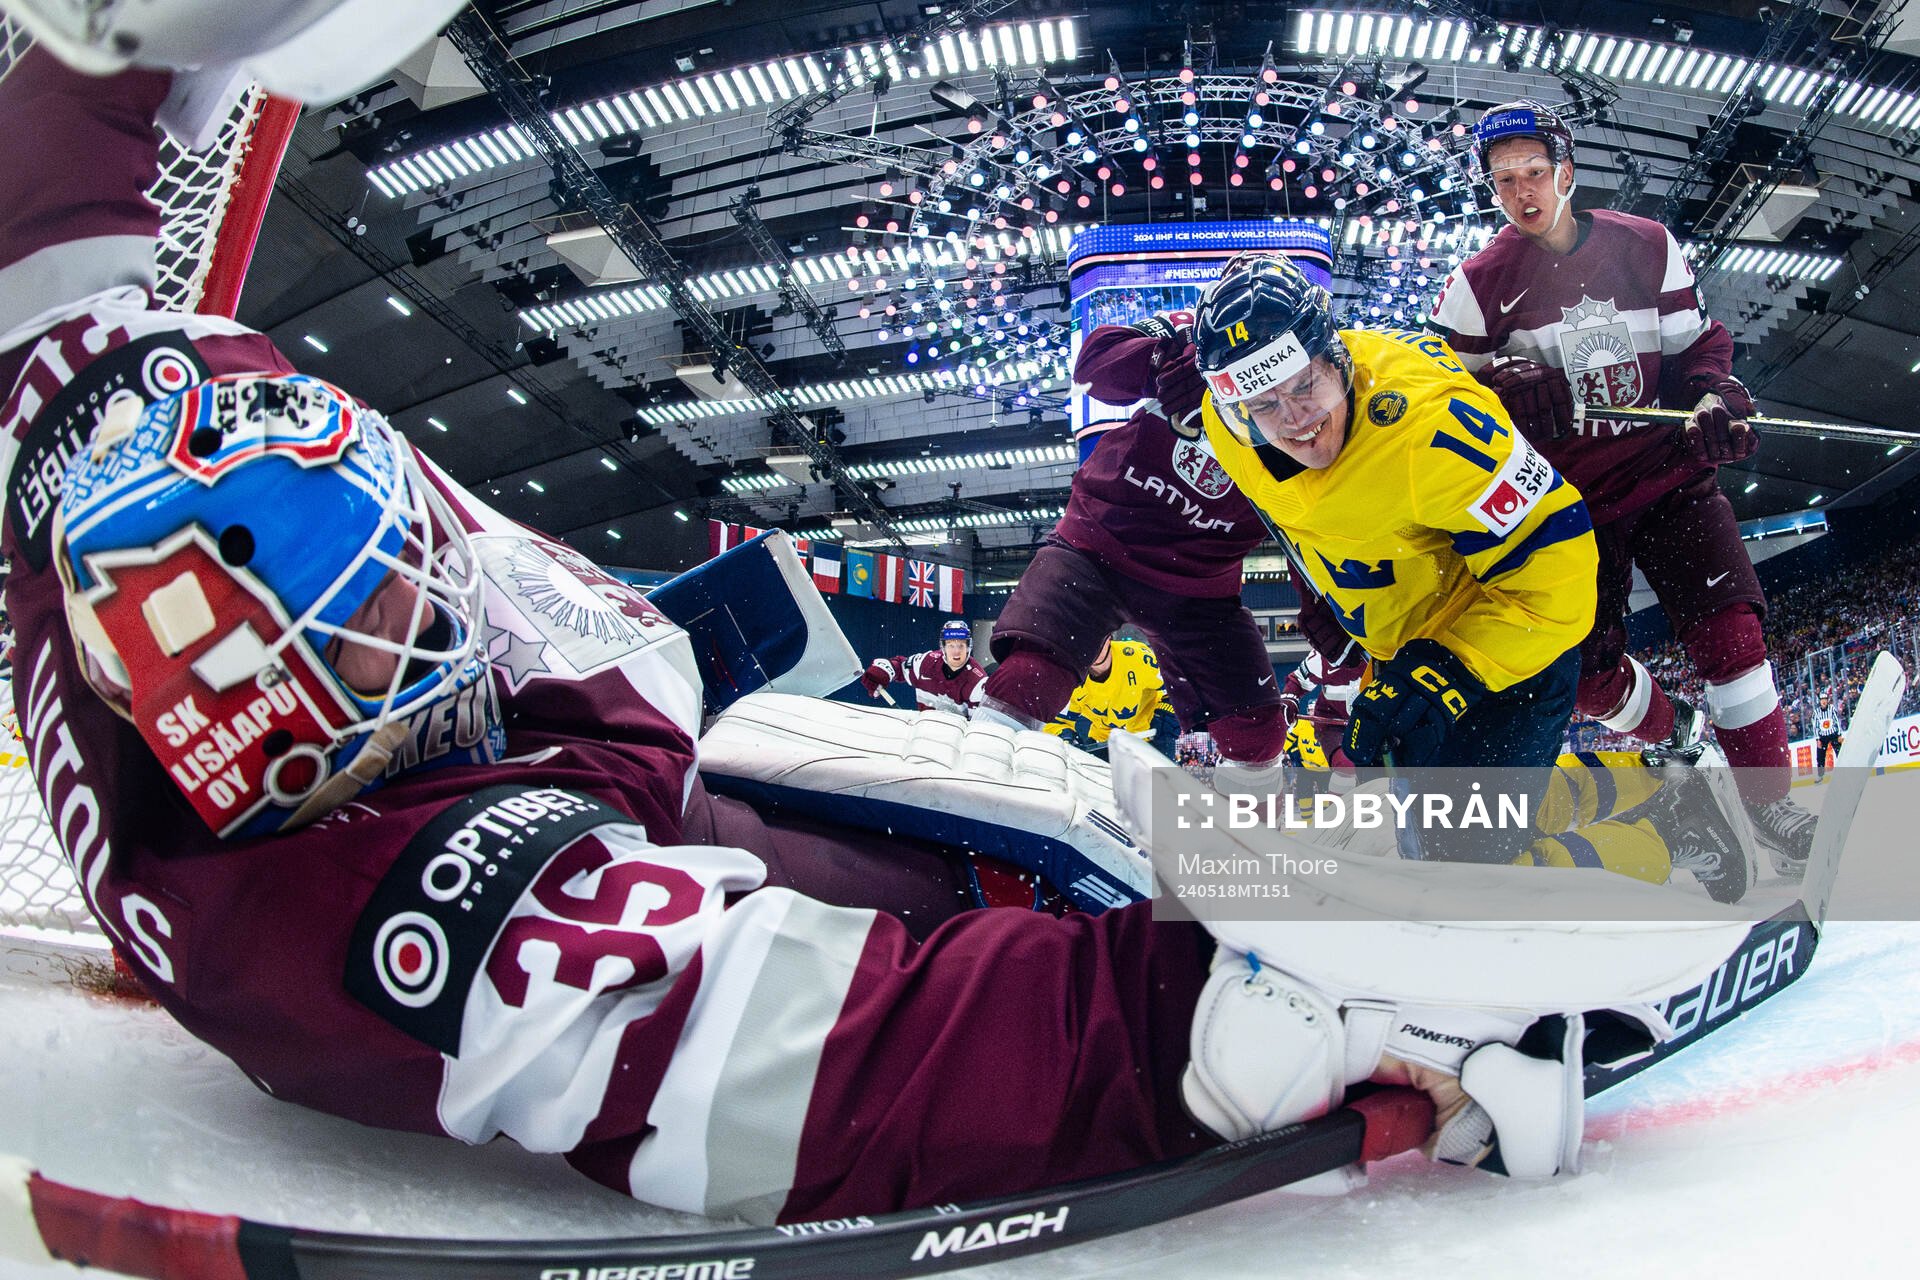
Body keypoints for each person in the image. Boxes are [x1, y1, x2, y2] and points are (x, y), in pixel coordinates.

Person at [0, 0, 1758, 1228]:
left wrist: (132, 53)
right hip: (607, 803)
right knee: (984, 859)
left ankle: (1453, 838)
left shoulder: (110, 391)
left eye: (404, 565)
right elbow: (779, 1063)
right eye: (381, 652)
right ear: (295, 750)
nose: (429, 622)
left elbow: (50, 205)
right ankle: (1414, 919)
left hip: (662, 719)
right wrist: (1185, 1040)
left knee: (978, 786)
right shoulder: (342, 896)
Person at [1190, 252, 1761, 901]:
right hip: (1412, 647)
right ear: (1232, 405)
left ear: (1336, 356)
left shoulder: (1431, 428)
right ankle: (1665, 787)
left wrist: (1450, 670)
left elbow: (1563, 562)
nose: (1296, 418)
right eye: (1265, 403)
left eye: (1304, 385)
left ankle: (1674, 831)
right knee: (1453, 826)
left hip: (1515, 644)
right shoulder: (1227, 428)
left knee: (1463, 876)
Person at [1424, 99, 1816, 875]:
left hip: (1668, 476)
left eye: (1533, 173)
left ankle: (1770, 807)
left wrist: (1714, 396)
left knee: (1731, 635)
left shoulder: (1648, 246)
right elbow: (1440, 407)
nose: (1522, 191)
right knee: (1584, 675)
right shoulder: (1473, 289)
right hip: (1565, 510)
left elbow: (1698, 348)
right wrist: (1500, 392)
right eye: (1504, 181)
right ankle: (1679, 740)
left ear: (1565, 173)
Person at [973, 303, 1288, 774]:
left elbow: (1312, 525)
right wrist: (1160, 360)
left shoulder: (1310, 405)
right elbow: (1093, 365)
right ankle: (973, 786)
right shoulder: (1193, 333)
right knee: (1028, 679)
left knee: (1257, 729)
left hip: (1199, 587)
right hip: (1097, 547)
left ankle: (1256, 830)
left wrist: (1326, 612)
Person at [1044, 634, 1180, 755]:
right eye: (1084, 641)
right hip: (1103, 744)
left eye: (1096, 639)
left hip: (1152, 736)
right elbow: (1057, 723)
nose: (1092, 648)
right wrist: (1068, 738)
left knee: (1164, 781)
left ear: (1109, 638)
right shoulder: (1070, 676)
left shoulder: (1137, 656)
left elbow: (1176, 686)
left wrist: (1166, 716)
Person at [859, 617, 985, 713]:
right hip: (922, 739)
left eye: (961, 646)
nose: (956, 651)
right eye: (951, 645)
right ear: (943, 647)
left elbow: (978, 731)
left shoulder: (978, 683)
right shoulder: (926, 663)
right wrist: (882, 671)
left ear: (968, 647)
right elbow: (899, 667)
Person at [1814, 693, 1843, 781]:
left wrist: (1839, 735)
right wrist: (1817, 739)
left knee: (1841, 753)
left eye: (1825, 699)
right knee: (1820, 757)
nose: (1823, 701)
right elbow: (1815, 726)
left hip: (1833, 735)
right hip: (1823, 737)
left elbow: (1837, 721)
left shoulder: (1831, 709)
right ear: (1819, 701)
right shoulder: (1816, 712)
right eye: (1822, 699)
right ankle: (1820, 775)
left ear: (1827, 700)